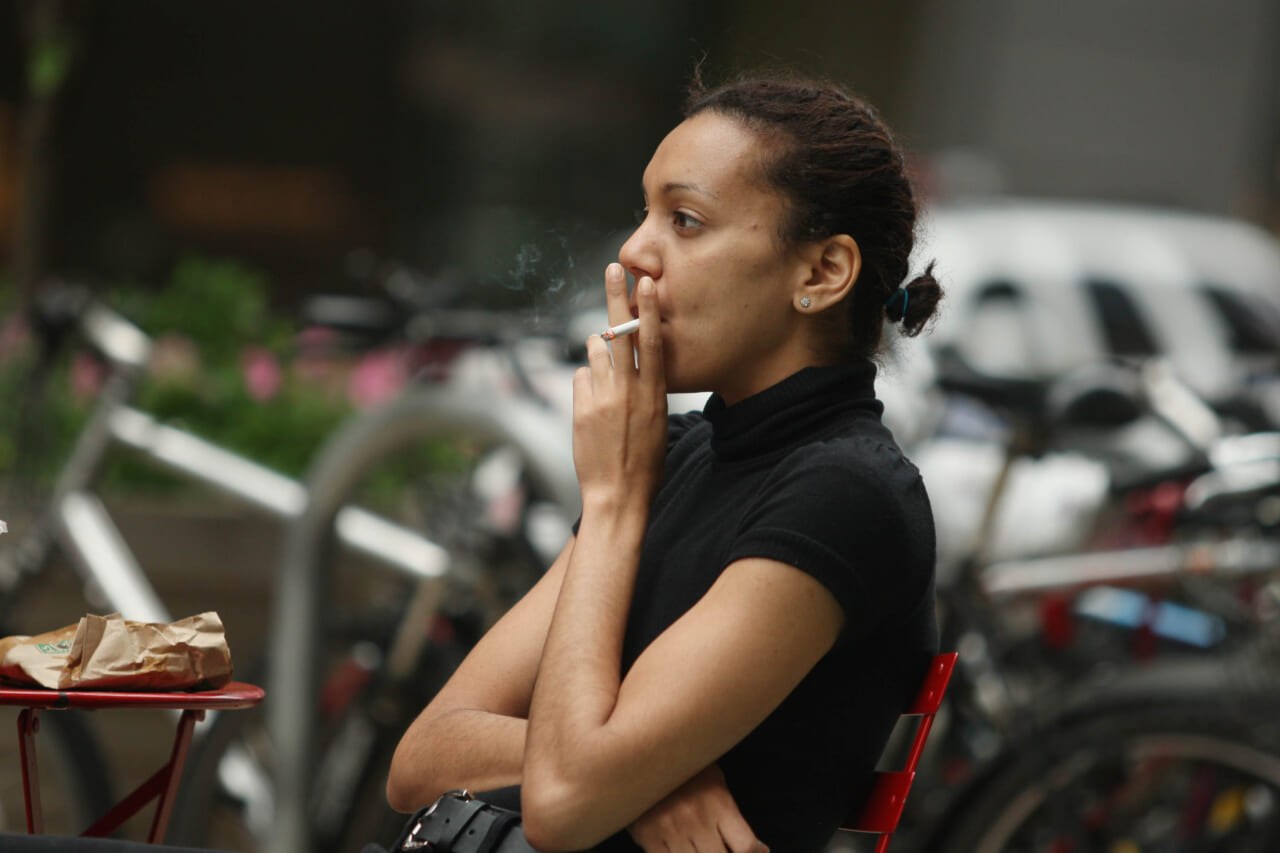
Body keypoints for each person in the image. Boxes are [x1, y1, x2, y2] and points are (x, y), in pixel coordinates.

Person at [385, 70, 942, 853]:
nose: (634, 251)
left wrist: (612, 502)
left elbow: (566, 798)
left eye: (684, 219)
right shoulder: (673, 452)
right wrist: (658, 777)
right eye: (645, 212)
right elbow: (420, 757)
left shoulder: (845, 495)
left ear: (821, 273)